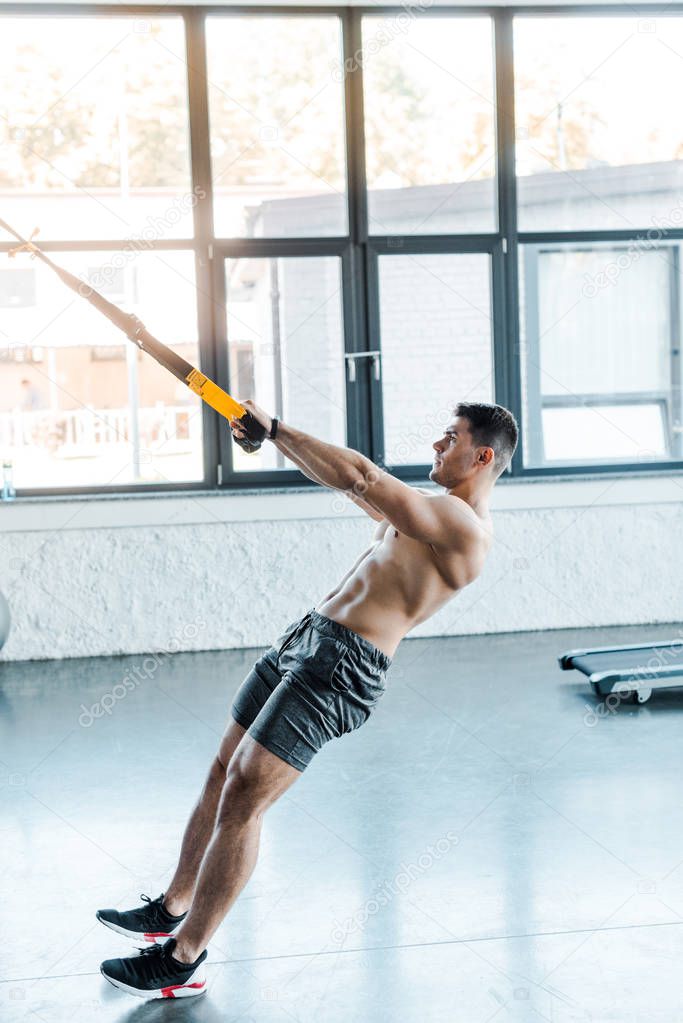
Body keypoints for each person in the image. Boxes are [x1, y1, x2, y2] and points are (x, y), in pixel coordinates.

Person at [98, 400, 518, 999]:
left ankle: (183, 954)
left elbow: (364, 475)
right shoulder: (428, 513)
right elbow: (353, 490)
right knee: (224, 767)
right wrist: (271, 440)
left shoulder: (462, 528)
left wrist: (276, 428)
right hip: (306, 639)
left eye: (449, 438)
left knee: (245, 790)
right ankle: (172, 905)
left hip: (344, 669)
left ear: (480, 456)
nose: (436, 446)